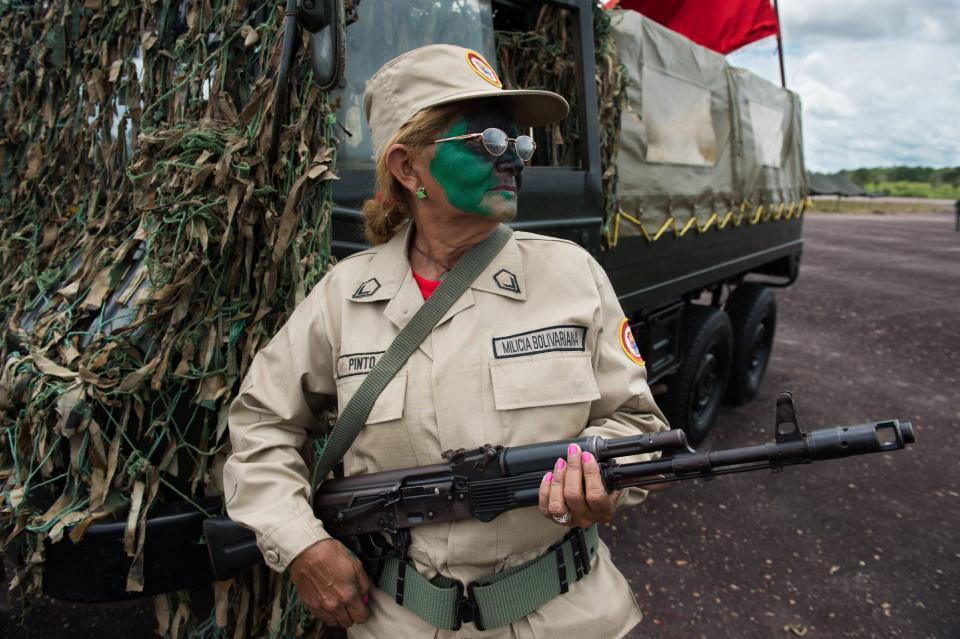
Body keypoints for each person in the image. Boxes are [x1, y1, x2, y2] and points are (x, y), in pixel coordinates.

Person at [223, 44, 668, 638]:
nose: (512, 159)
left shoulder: (572, 276)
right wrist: (301, 545)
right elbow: (261, 426)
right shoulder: (344, 297)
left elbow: (639, 425)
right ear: (408, 168)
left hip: (568, 618)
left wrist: (605, 476)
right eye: (487, 142)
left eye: (521, 144)